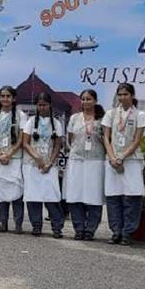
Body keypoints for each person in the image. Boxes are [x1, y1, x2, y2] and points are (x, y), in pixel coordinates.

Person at [101, 82, 145, 245]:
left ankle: (128, 232)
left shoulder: (139, 115)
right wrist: (113, 157)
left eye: (126, 94)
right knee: (113, 196)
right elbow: (106, 138)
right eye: (120, 94)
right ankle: (116, 231)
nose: (122, 97)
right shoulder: (111, 114)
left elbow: (137, 140)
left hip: (131, 160)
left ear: (132, 96)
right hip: (112, 160)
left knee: (132, 196)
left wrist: (122, 158)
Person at [65, 90, 106, 240]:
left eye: (89, 99)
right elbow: (70, 139)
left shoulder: (102, 119)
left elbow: (106, 139)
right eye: (83, 99)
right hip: (77, 160)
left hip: (95, 161)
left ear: (95, 101)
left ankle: (90, 229)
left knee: (93, 196)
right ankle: (79, 228)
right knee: (75, 195)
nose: (85, 102)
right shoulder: (75, 118)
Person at [22, 92, 64, 238]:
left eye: (44, 104)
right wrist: (37, 158)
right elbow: (25, 143)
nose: (42, 107)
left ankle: (57, 227)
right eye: (39, 105)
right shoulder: (31, 121)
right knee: (33, 196)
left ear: (49, 105)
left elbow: (58, 145)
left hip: (49, 166)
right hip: (32, 165)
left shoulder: (56, 123)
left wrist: (50, 162)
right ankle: (36, 225)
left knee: (51, 196)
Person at [0, 85, 25, 233]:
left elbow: (22, 138)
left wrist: (10, 153)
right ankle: (3, 223)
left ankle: (18, 224)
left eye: (8, 96)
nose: (5, 99)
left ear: (14, 98)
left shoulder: (21, 116)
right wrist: (0, 153)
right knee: (1, 191)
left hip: (14, 158)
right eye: (2, 96)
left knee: (16, 191)